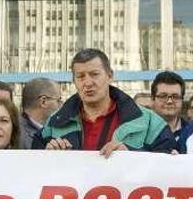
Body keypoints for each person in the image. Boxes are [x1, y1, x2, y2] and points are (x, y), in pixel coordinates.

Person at [35, 49, 175, 156]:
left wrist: (131, 155)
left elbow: (169, 167)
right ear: (74, 81)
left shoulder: (149, 122)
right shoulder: (54, 123)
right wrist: (48, 156)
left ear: (110, 76)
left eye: (94, 74)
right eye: (80, 77)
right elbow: (33, 169)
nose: (88, 83)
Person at [19, 78, 62, 149]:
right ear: (43, 102)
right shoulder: (16, 135)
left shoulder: (55, 131)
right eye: (59, 100)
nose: (61, 105)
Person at [151, 71, 187, 143]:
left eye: (175, 96)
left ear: (182, 100)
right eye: (163, 96)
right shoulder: (141, 132)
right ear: (152, 99)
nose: (169, 101)